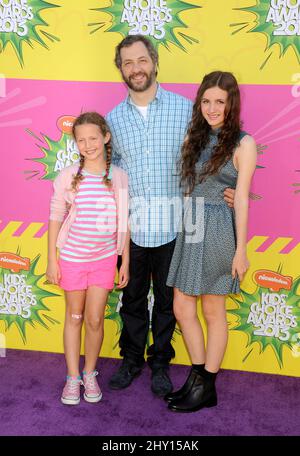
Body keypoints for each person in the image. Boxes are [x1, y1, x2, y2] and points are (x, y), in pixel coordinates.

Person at [106, 35, 235, 397]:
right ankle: (131, 359)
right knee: (131, 299)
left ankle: (160, 362)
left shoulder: (185, 110)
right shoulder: (113, 120)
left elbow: (219, 152)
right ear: (120, 69)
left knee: (169, 302)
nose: (136, 68)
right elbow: (114, 172)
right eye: (128, 63)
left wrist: (233, 190)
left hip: (179, 224)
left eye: (142, 60)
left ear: (155, 62)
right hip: (133, 226)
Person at [165, 71, 257, 412]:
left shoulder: (244, 143)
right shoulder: (196, 136)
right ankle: (198, 378)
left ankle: (207, 384)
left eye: (220, 101)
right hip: (191, 225)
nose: (213, 107)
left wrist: (241, 250)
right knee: (182, 307)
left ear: (231, 103)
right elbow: (190, 185)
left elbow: (243, 197)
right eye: (206, 101)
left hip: (219, 227)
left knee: (213, 309)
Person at [46, 112, 130, 405]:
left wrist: (124, 261)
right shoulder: (69, 175)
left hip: (104, 260)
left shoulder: (118, 176)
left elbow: (123, 222)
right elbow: (56, 216)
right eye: (81, 140)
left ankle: (90, 373)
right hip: (72, 258)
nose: (88, 144)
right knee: (74, 316)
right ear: (76, 144)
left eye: (93, 138)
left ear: (105, 137)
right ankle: (72, 377)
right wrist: (51, 260)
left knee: (94, 319)